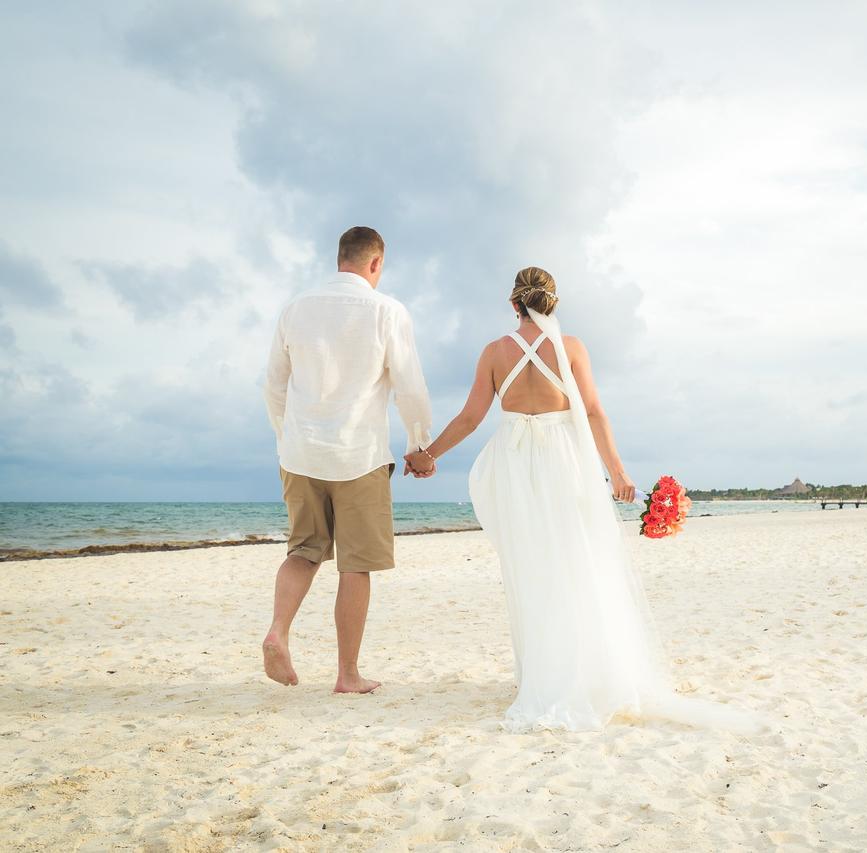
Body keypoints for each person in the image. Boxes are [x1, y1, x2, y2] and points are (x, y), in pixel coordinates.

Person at [407, 267, 760, 731]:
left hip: (516, 464)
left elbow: (471, 418)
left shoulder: (494, 352)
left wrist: (426, 455)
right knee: (577, 558)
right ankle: (580, 668)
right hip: (564, 461)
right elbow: (593, 410)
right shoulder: (571, 348)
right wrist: (617, 471)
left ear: (513, 304)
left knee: (530, 565)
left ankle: (540, 673)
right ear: (552, 304)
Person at [261, 226, 432, 694]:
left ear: (340, 259)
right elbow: (409, 387)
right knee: (356, 565)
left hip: (300, 454)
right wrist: (419, 444)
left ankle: (278, 630)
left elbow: (273, 385)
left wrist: (287, 437)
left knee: (303, 551)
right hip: (359, 455)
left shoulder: (295, 308)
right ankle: (348, 674)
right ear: (375, 264)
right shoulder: (386, 310)